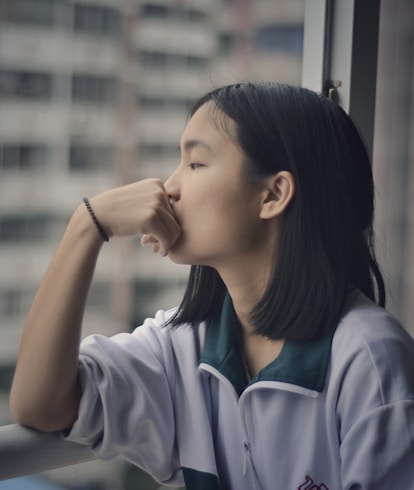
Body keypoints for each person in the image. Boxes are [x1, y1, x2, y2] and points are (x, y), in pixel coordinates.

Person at [10, 82, 414, 489]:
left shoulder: (370, 360)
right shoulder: (182, 348)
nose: (169, 188)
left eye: (195, 164)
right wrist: (86, 225)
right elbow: (40, 405)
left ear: (273, 194)